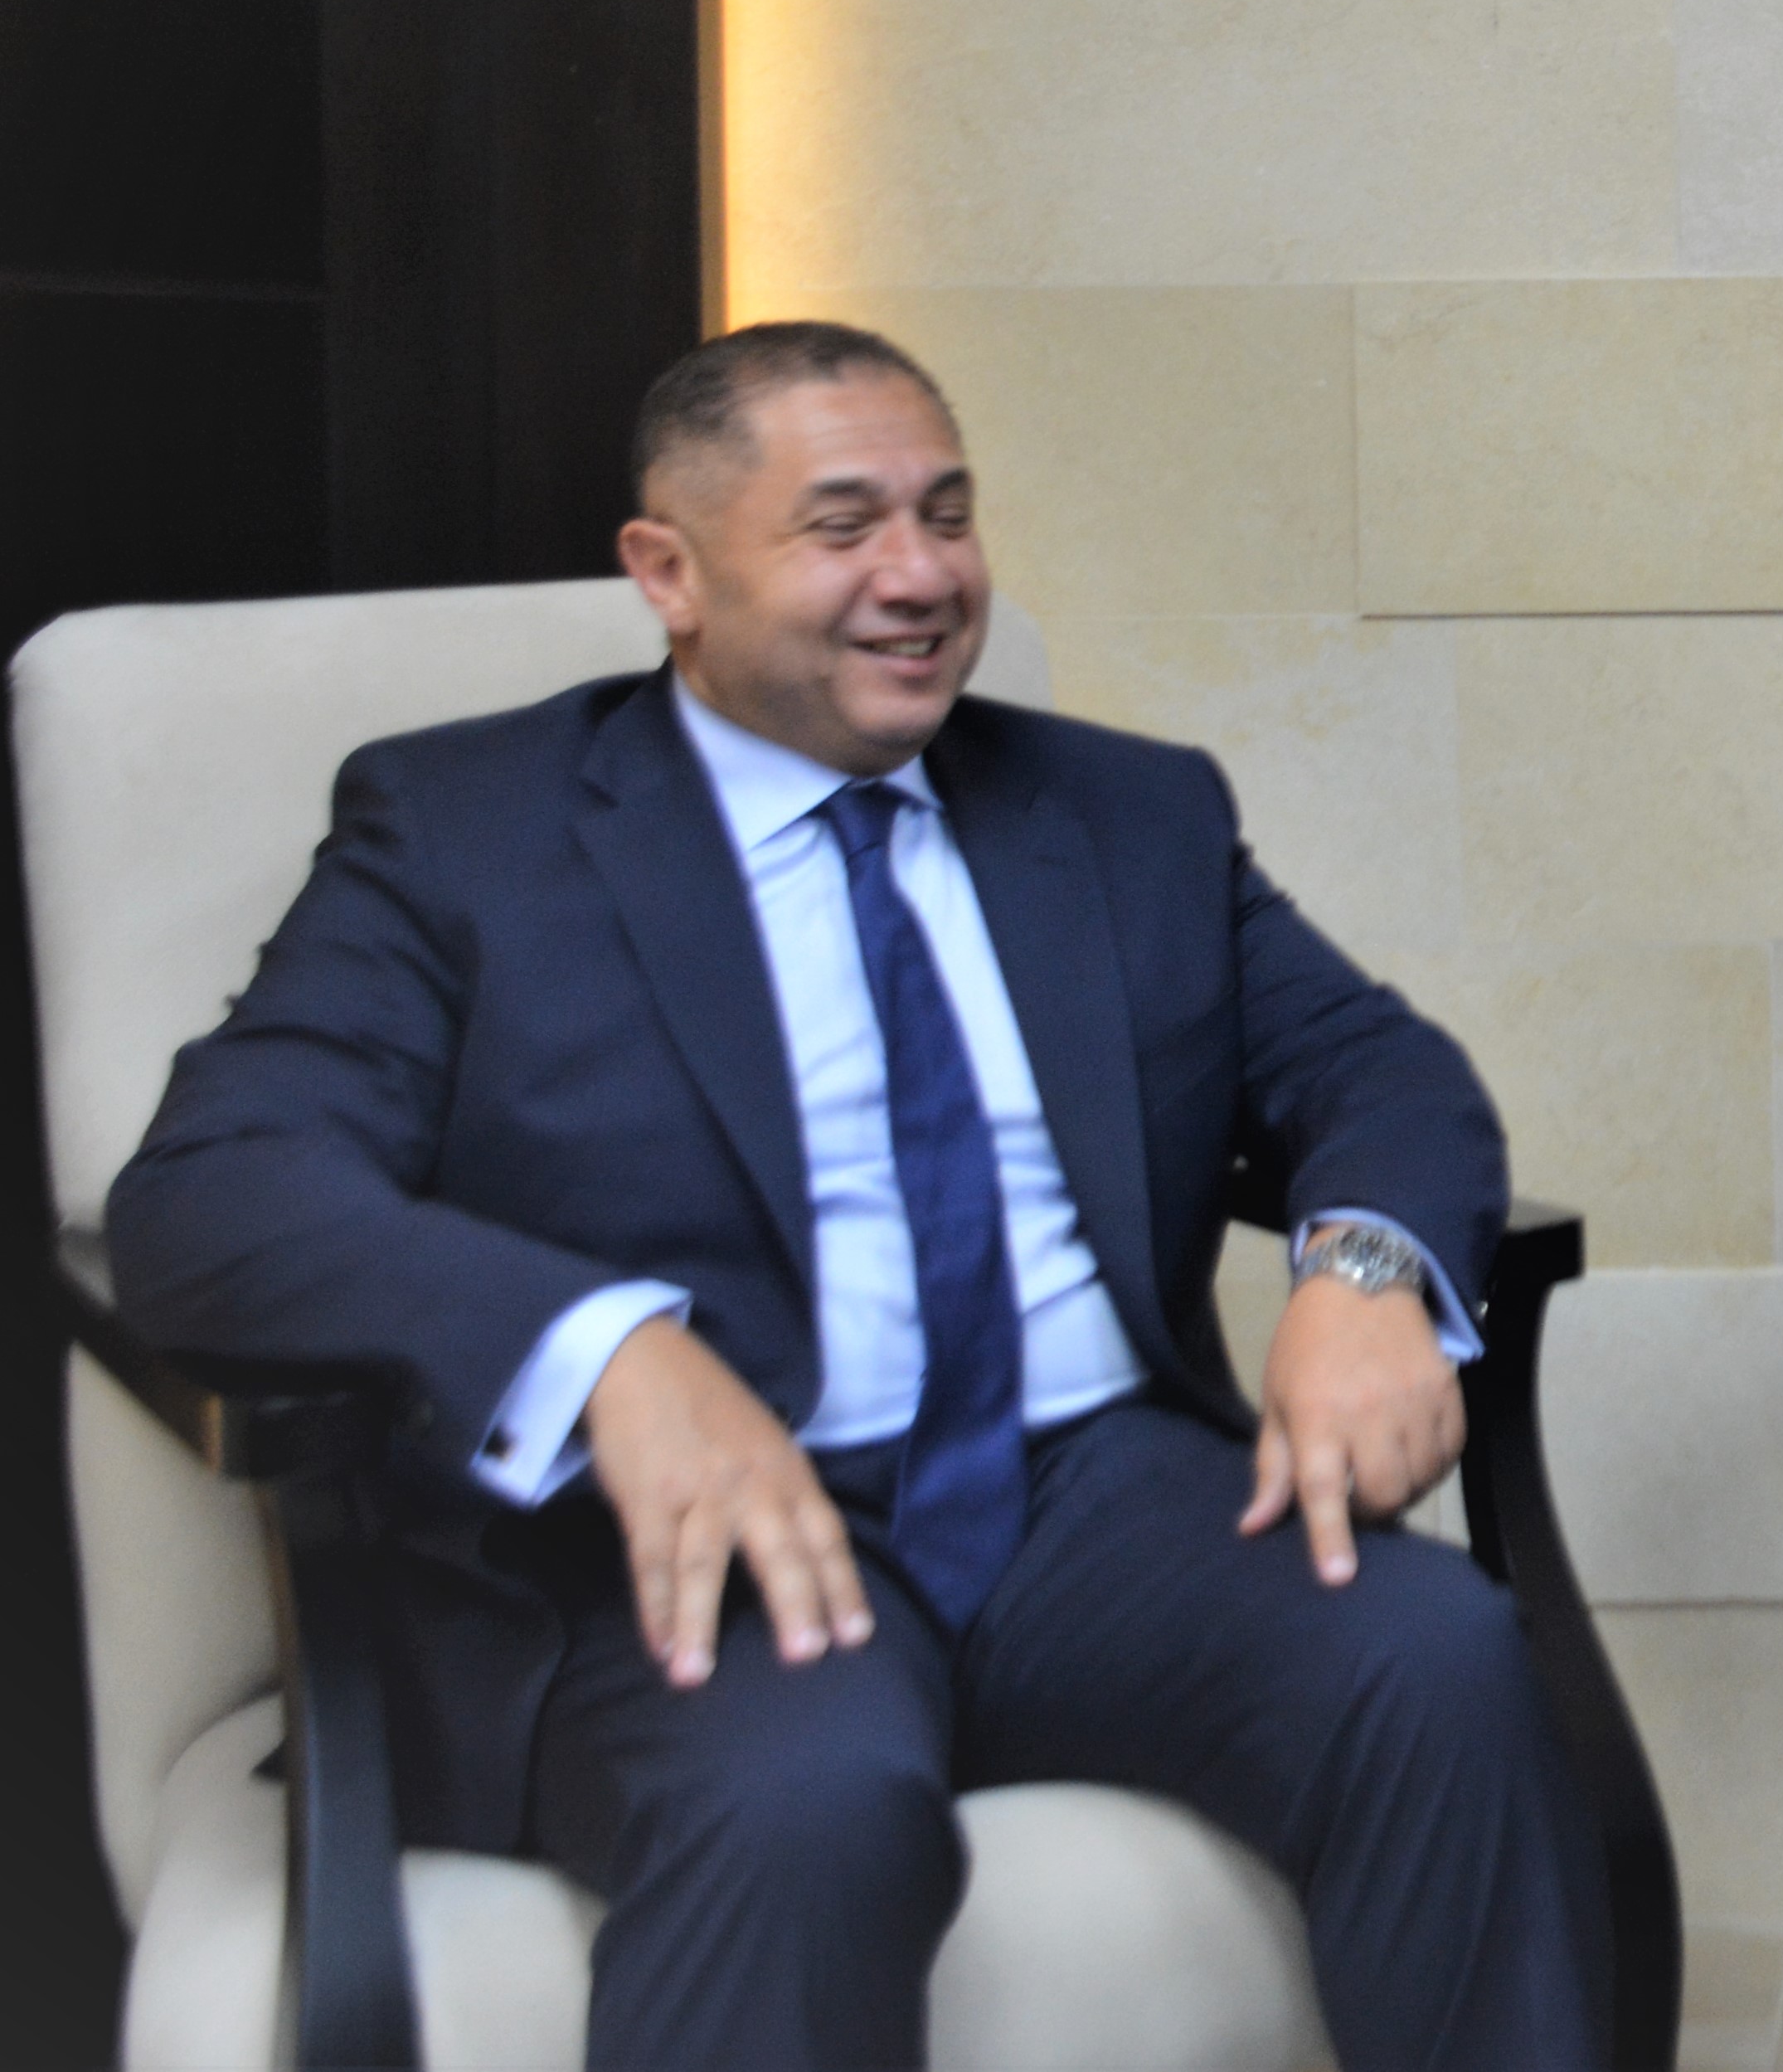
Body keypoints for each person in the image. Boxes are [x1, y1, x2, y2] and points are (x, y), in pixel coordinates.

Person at [104, 323, 1602, 2071]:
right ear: (669, 572)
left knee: (1435, 1658)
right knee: (807, 1803)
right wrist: (601, 1353)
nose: (921, 575)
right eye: (843, 526)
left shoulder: (1124, 812)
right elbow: (217, 1187)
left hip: (1092, 1504)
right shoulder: (463, 833)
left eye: (946, 514)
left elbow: (1374, 1067)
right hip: (694, 1536)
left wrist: (1363, 1269)